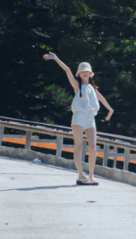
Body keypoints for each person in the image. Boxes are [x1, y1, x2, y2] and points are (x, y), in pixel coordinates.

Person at [43, 53, 114, 185]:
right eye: (82, 72)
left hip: (90, 117)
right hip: (79, 117)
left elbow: (101, 98)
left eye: (87, 71)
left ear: (90, 73)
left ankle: (91, 176)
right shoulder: (77, 86)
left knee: (93, 146)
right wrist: (56, 58)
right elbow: (67, 70)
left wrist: (110, 110)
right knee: (79, 146)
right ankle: (81, 175)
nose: (85, 73)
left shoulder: (93, 88)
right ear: (79, 74)